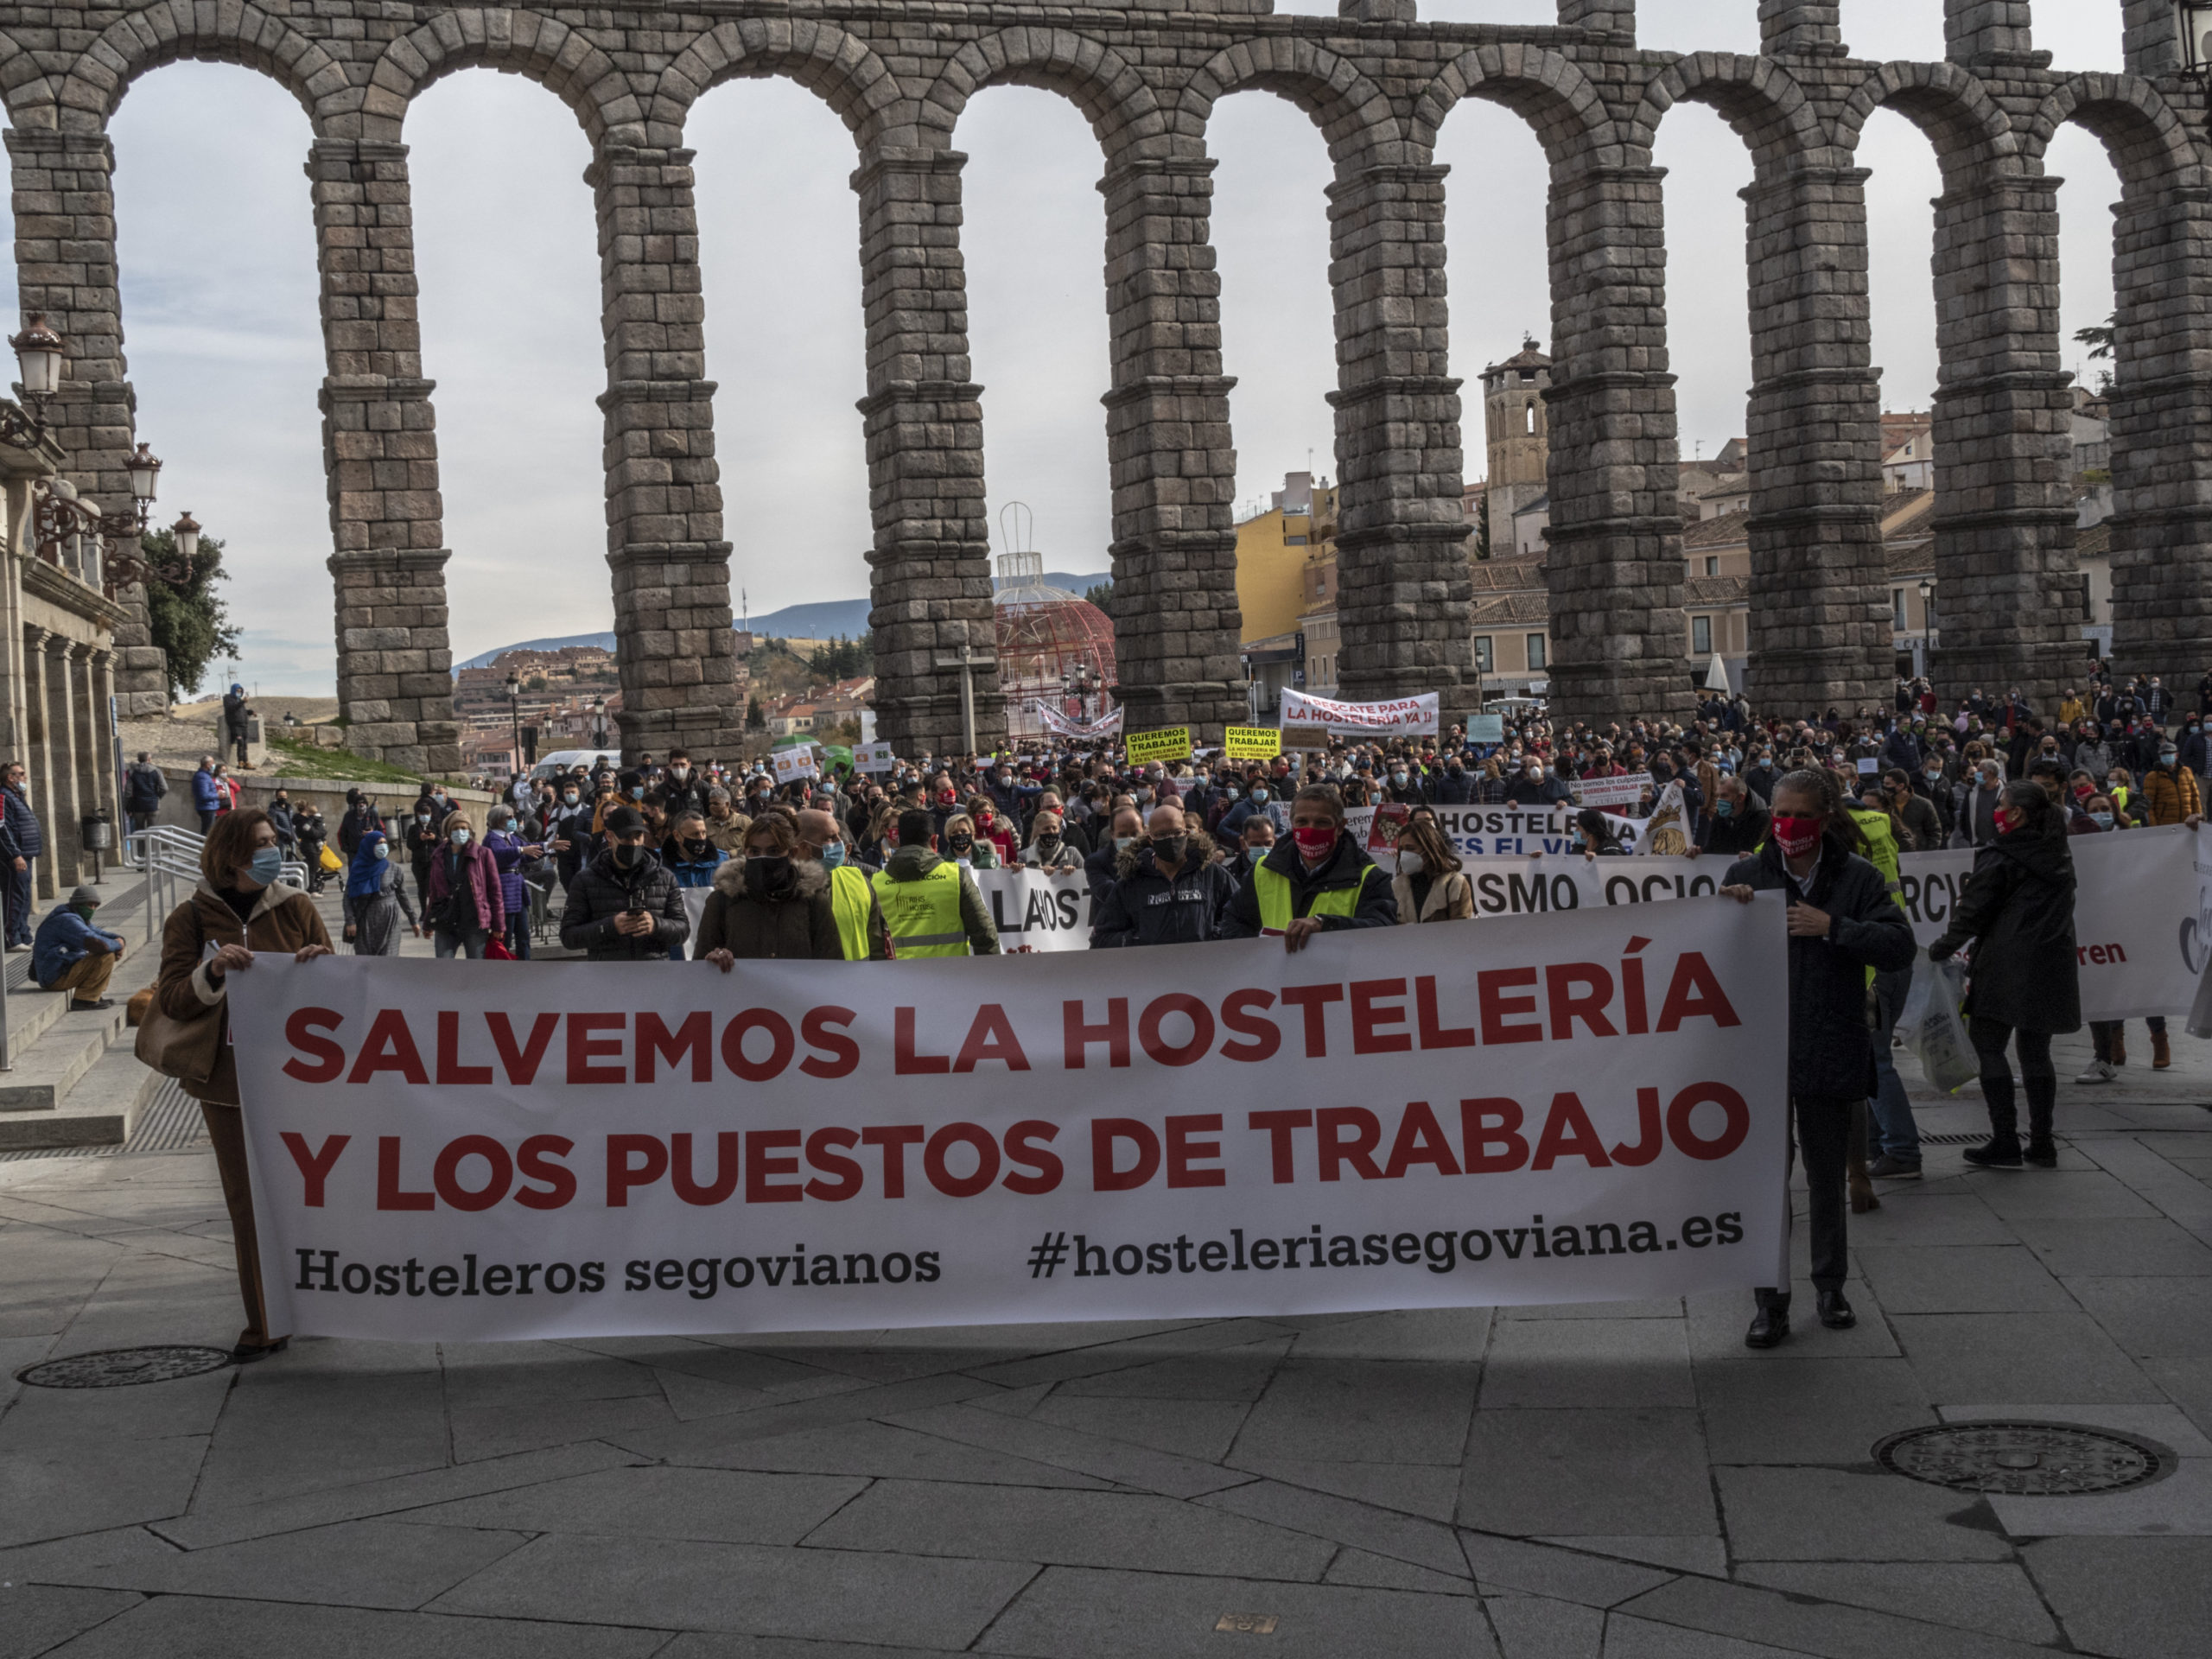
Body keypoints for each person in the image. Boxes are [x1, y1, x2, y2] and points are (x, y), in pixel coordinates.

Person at [1719, 769, 1916, 1348]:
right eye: (1781, 814)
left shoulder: (1857, 876)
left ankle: (1831, 1287)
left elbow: (1899, 945)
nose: (1789, 825)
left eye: (1802, 815)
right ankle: (1770, 1302)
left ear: (1826, 819)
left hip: (1828, 1042)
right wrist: (1725, 911)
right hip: (1763, 1053)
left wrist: (1835, 928)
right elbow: (1712, 957)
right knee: (1766, 1181)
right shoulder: (1747, 875)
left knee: (1826, 1177)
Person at [153, 808, 332, 1359]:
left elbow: (340, 987)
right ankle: (264, 1323)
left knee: (313, 1198)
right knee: (247, 1203)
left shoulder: (297, 906)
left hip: (299, 1080)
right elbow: (172, 999)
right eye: (262, 843)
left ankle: (322, 1302)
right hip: (226, 1085)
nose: (273, 850)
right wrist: (210, 973)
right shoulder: (190, 918)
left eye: (274, 840)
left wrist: (321, 966)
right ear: (231, 855)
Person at [1929, 779, 2082, 1169]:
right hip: (2050, 961)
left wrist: (1942, 947)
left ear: (2016, 813)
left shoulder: (2001, 854)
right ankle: (2043, 1142)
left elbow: (1973, 911)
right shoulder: (2057, 852)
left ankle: (2005, 1139)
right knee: (2036, 1051)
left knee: (1988, 1044)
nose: (1996, 811)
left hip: (2005, 961)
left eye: (2001, 804)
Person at [1222, 783, 1396, 950]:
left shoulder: (1368, 877)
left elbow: (1382, 932)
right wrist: (1257, 955)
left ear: (1340, 827)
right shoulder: (1264, 869)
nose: (1310, 830)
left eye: (1322, 822)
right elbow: (1234, 918)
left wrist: (1326, 925)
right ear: (1292, 824)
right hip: (1274, 969)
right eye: (1302, 821)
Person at [698, 810, 843, 963]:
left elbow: (831, 962)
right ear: (745, 852)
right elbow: (700, 962)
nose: (763, 857)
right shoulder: (722, 901)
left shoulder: (813, 902)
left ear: (792, 853)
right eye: (755, 851)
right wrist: (714, 958)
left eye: (774, 851)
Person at [560, 804, 691, 961]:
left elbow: (683, 931)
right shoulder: (585, 880)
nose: (634, 843)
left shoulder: (665, 877)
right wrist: (609, 926)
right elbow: (568, 936)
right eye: (627, 837)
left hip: (654, 968)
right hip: (607, 969)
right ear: (610, 837)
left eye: (638, 836)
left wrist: (656, 925)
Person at [1091, 803, 1235, 946]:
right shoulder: (1132, 881)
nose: (1170, 839)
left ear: (1186, 833)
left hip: (1204, 959)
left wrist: (1213, 935)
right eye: (1162, 835)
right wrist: (1138, 939)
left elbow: (1241, 918)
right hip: (1151, 960)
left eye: (1176, 832)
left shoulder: (1212, 874)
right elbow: (1102, 937)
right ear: (1150, 839)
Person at [874, 807, 1001, 957]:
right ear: (934, 840)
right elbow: (985, 934)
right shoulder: (955, 876)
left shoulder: (876, 883)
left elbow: (873, 943)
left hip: (897, 972)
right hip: (952, 970)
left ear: (899, 840)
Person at [795, 806, 889, 961]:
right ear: (805, 848)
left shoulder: (859, 880)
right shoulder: (780, 889)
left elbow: (877, 945)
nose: (840, 842)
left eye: (838, 835)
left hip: (857, 975)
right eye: (830, 838)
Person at [425, 810, 504, 960]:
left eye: (464, 828)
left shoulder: (483, 854)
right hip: (446, 921)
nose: (460, 832)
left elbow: (495, 892)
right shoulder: (438, 855)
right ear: (449, 831)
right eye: (456, 828)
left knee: (475, 969)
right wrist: (428, 923)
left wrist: (498, 925)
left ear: (470, 830)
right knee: (443, 967)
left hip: (474, 922)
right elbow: (433, 892)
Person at [33, 885, 125, 1009]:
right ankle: (85, 1000)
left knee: (108, 950)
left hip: (61, 969)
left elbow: (98, 933)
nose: (92, 909)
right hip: (55, 977)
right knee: (106, 955)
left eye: (95, 906)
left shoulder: (76, 917)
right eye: (89, 905)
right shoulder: (67, 920)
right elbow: (95, 942)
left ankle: (94, 995)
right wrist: (118, 945)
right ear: (78, 904)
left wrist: (119, 939)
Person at [346, 829, 417, 956]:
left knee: (388, 960)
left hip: (390, 919)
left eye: (385, 843)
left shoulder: (394, 869)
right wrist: (350, 921)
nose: (383, 846)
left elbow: (403, 896)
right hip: (365, 920)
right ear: (369, 846)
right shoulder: (358, 869)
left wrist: (413, 919)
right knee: (366, 961)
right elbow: (348, 898)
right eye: (379, 843)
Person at [484, 808, 542, 959]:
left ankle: (525, 967)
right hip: (505, 893)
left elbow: (528, 850)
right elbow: (500, 854)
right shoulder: (492, 838)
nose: (513, 820)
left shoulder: (512, 838)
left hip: (517, 892)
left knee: (524, 937)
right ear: (498, 820)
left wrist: (549, 846)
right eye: (509, 817)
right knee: (505, 938)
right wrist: (521, 850)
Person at [1390, 817, 1471, 923]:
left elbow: (1461, 929)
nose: (1404, 854)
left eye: (1411, 848)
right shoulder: (1396, 886)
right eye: (1401, 849)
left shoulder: (1454, 884)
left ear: (1429, 849)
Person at [0, 758, 41, 951]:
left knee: (24, 896)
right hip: (14, 857)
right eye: (21, 774)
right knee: (14, 897)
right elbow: (3, 828)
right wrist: (15, 855)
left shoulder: (17, 795)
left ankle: (24, 935)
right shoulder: (3, 796)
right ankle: (11, 939)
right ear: (11, 777)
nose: (25, 777)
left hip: (26, 853)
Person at [1694, 772, 1769, 860]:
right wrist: (1698, 851)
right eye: (1718, 796)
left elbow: (1767, 854)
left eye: (1724, 796)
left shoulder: (1763, 820)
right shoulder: (1719, 817)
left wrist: (1754, 858)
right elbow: (1712, 848)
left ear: (1740, 798)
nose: (1719, 800)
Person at [661, 809, 725, 889]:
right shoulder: (658, 863)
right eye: (695, 834)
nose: (701, 838)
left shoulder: (722, 861)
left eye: (704, 833)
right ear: (677, 835)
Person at [1019, 810, 1084, 874]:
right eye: (1046, 829)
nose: (1051, 832)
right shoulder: (1024, 856)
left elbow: (1086, 876)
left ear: (1059, 829)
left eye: (1054, 828)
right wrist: (1040, 872)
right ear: (1037, 832)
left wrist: (1073, 872)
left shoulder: (1072, 854)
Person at [123, 752, 167, 838]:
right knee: (153, 832)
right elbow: (164, 788)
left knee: (139, 832)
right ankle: (152, 847)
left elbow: (128, 792)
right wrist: (158, 797)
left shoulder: (132, 772)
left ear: (138, 760)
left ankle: (141, 847)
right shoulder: (156, 771)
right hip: (153, 805)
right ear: (149, 759)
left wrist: (126, 806)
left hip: (138, 806)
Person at [295, 801, 329, 893]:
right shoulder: (304, 821)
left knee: (311, 866)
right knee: (313, 867)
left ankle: (309, 887)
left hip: (310, 846)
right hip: (310, 846)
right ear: (306, 809)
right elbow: (315, 833)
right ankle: (311, 890)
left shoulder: (304, 820)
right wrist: (323, 832)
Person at [191, 755, 222, 833]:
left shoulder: (205, 776)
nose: (214, 765)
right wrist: (217, 795)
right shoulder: (202, 777)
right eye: (213, 763)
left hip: (209, 807)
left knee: (209, 831)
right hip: (207, 808)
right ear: (208, 765)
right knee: (208, 832)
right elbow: (204, 795)